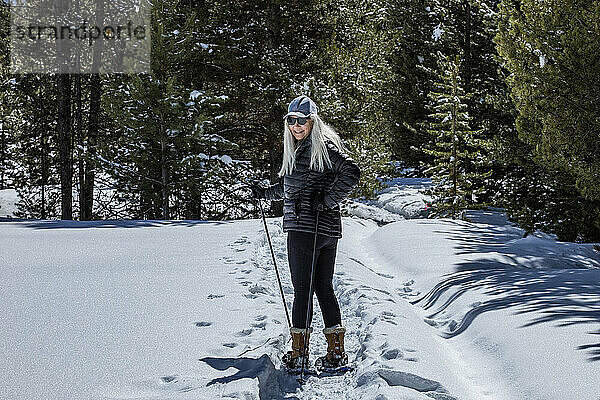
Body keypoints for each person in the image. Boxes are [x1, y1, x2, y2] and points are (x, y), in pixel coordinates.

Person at [251, 95, 360, 371]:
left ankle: (299, 353)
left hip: (305, 230)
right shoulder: (304, 149)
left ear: (313, 121)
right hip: (326, 231)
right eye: (291, 120)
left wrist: (326, 200)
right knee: (323, 288)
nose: (296, 126)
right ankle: (336, 353)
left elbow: (351, 172)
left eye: (302, 120)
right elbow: (290, 187)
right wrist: (265, 194)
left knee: (303, 290)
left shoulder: (319, 147)